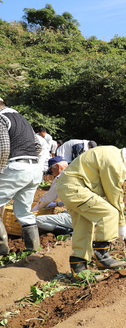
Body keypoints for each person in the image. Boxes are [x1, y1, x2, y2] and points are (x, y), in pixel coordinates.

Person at [57, 142, 126, 275]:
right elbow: (114, 195)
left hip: (69, 187)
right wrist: (121, 224)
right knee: (109, 213)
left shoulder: (113, 153)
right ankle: (102, 255)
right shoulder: (115, 163)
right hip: (75, 188)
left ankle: (78, 266)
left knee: (84, 225)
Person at [0, 97, 44, 255]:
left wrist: (1, 170)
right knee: (24, 212)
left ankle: (1, 251)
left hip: (16, 167)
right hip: (34, 169)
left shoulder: (1, 118)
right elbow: (38, 145)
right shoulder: (22, 119)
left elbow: (4, 148)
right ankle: (33, 252)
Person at [33, 156, 73, 236]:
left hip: (79, 218)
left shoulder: (61, 177)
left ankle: (67, 231)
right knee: (63, 212)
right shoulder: (75, 173)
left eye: (51, 170)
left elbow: (47, 199)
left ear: (57, 167)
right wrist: (56, 204)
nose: (52, 173)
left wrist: (35, 209)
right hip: (91, 215)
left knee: (35, 220)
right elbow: (73, 199)